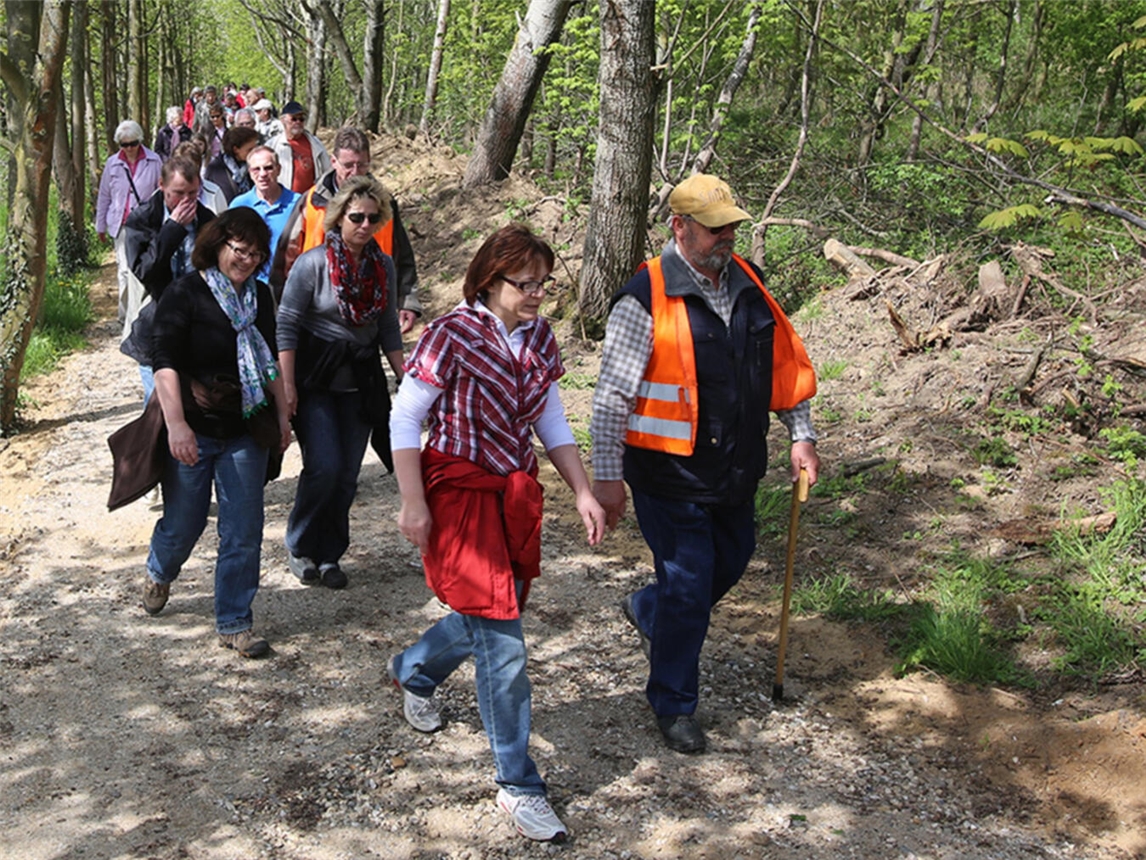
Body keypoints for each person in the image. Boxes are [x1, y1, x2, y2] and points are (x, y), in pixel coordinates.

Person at [387, 224, 605, 842]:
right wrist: (412, 502)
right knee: (504, 644)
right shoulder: (450, 334)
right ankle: (518, 783)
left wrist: (583, 490)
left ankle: (414, 669)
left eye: (544, 283)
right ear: (490, 279)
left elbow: (549, 416)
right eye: (525, 283)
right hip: (459, 492)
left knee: (492, 613)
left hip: (512, 492)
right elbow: (406, 416)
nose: (537, 293)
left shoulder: (538, 335)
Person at [589, 173, 820, 754]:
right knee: (690, 585)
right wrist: (606, 477)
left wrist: (802, 434)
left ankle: (648, 606)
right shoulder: (642, 296)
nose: (726, 238)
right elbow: (612, 395)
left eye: (732, 227)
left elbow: (785, 368)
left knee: (733, 561)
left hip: (736, 469)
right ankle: (673, 703)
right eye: (715, 229)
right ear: (679, 227)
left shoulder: (751, 284)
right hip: (668, 475)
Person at [142, 208, 292, 658]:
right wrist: (178, 426)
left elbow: (268, 362)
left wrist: (284, 417)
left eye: (254, 254)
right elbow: (163, 361)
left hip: (244, 427)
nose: (245, 260)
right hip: (193, 426)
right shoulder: (184, 293)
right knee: (184, 525)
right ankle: (159, 569)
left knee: (243, 529)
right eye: (238, 250)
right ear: (217, 246)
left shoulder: (260, 298)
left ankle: (234, 622)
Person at [276, 176, 404, 590]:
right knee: (324, 466)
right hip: (317, 378)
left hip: (362, 380)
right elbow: (287, 325)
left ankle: (330, 554)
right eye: (356, 218)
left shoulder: (382, 267)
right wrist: (288, 386)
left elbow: (388, 328)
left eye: (372, 218)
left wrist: (408, 378)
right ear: (339, 218)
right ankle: (299, 544)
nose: (364, 226)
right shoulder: (313, 264)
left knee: (348, 473)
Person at [272, 126, 422, 332]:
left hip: (370, 310)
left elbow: (402, 255)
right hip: (317, 312)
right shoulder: (312, 201)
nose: (355, 173)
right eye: (348, 165)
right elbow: (286, 256)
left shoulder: (384, 202)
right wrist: (284, 310)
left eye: (362, 165)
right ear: (333, 162)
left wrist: (407, 301)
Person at [123, 157, 216, 402]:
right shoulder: (142, 219)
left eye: (193, 193)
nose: (186, 200)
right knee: (160, 408)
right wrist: (172, 228)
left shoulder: (209, 220)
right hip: (155, 326)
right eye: (178, 193)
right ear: (161, 185)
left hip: (199, 329)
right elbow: (145, 270)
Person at [95, 120, 163, 324]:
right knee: (124, 270)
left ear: (140, 141)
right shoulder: (112, 163)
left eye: (133, 143)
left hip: (148, 224)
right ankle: (125, 316)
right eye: (124, 145)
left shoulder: (154, 160)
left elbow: (161, 192)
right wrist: (100, 225)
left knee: (146, 268)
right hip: (122, 225)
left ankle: (145, 311)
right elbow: (105, 195)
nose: (129, 148)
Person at [228, 146, 299, 281]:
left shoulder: (299, 204)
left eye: (268, 168)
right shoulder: (239, 205)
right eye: (256, 169)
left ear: (278, 169)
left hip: (289, 284)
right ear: (249, 172)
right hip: (250, 283)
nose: (262, 174)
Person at [266, 100, 331, 193]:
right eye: (294, 119)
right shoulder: (272, 145)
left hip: (310, 199)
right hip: (283, 199)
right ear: (282, 120)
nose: (298, 122)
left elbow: (327, 171)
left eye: (301, 119)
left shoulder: (316, 144)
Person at [204, 126, 259, 204]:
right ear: (236, 149)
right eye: (250, 149)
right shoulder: (215, 169)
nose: (254, 152)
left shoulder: (255, 166)